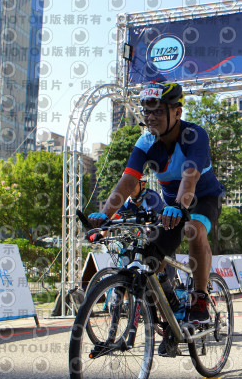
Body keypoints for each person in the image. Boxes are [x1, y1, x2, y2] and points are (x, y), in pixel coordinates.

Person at [88, 81, 224, 324]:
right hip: (172, 206)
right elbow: (128, 182)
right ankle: (169, 316)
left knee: (193, 229)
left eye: (158, 111)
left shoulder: (194, 135)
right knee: (149, 261)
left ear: (177, 112)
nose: (150, 117)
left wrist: (180, 206)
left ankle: (200, 297)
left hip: (203, 199)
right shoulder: (146, 142)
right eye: (146, 111)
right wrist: (106, 214)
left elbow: (190, 177)